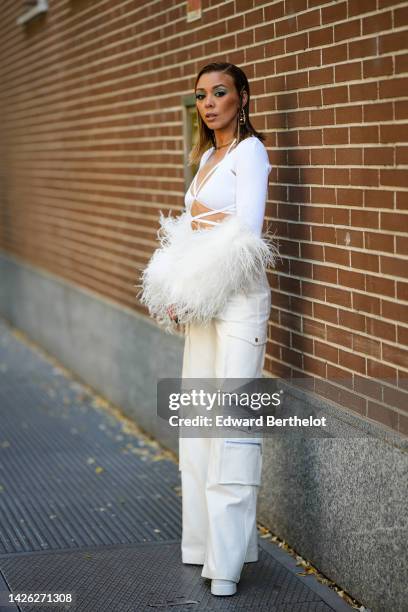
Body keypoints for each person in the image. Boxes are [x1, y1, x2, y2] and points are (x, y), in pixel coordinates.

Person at [138, 62, 279, 597]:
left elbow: (247, 234)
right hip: (203, 310)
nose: (209, 102)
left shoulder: (250, 153)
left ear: (242, 97)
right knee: (198, 428)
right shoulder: (204, 160)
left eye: (220, 92)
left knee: (233, 431)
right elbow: (191, 239)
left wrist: (201, 261)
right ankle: (206, 547)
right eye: (201, 95)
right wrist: (177, 292)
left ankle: (228, 565)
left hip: (240, 307)